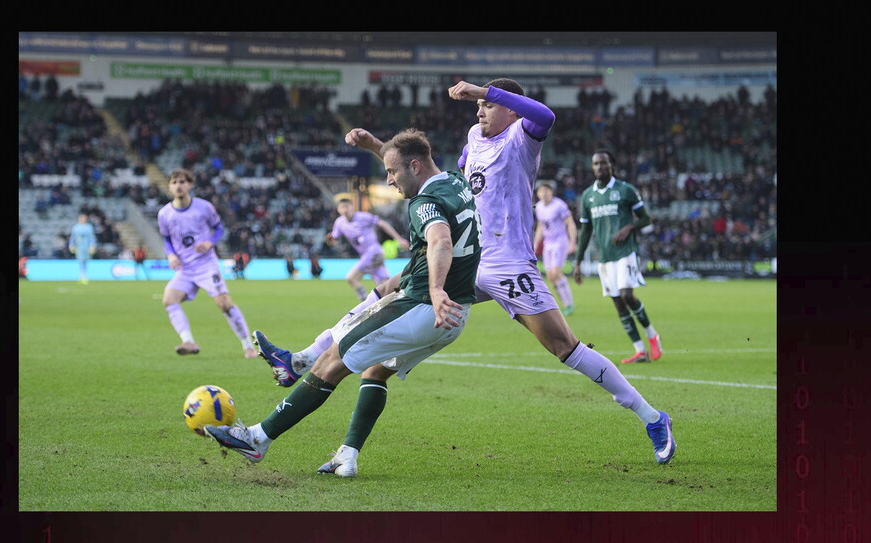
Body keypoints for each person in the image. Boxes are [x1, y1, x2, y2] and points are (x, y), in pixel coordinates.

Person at [252, 79, 675, 476]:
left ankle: (653, 418)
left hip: (510, 263)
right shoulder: (473, 143)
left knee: (564, 346)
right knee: (385, 310)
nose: (480, 110)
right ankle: (320, 394)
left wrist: (484, 88)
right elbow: (431, 177)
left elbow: (545, 116)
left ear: (510, 110)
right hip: (470, 260)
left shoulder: (523, 138)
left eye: (488, 105)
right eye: (478, 105)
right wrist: (376, 147)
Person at [205, 129, 482, 474]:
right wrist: (372, 146)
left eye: (392, 173)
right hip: (455, 316)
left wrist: (437, 289)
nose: (389, 180)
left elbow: (440, 241)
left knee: (331, 361)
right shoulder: (454, 181)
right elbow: (407, 164)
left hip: (425, 307)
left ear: (414, 166)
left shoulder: (424, 203)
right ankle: (346, 455)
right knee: (375, 370)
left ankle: (258, 438)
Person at [573, 149, 663, 364]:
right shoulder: (588, 196)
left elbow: (646, 219)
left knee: (627, 295)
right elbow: (585, 231)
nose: (599, 167)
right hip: (605, 256)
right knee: (618, 302)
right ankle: (639, 350)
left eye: (603, 163)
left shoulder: (625, 190)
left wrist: (629, 228)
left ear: (611, 165)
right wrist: (577, 262)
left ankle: (652, 335)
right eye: (596, 164)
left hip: (626, 252)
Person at [157, 168, 257, 358]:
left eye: (182, 181)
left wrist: (210, 242)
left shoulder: (204, 207)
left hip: (206, 265)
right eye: (174, 182)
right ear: (169, 186)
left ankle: (248, 347)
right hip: (185, 268)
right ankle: (188, 341)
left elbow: (219, 228)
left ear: (190, 185)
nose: (178, 185)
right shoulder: (164, 214)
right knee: (169, 300)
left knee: (224, 303)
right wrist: (170, 255)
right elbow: (167, 239)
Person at [325, 197, 409, 301]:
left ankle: (365, 303)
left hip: (374, 252)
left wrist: (399, 239)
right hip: (366, 256)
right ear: (338, 209)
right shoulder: (339, 223)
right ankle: (401, 297)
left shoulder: (363, 216)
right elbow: (334, 240)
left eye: (347, 206)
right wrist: (330, 240)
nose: (345, 210)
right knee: (386, 284)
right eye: (342, 207)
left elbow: (382, 224)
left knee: (351, 277)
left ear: (352, 207)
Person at [533, 179, 577, 315]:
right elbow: (540, 226)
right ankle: (565, 304)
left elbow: (570, 223)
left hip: (560, 242)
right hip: (548, 244)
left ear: (551, 192)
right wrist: (535, 243)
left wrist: (572, 242)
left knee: (556, 273)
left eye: (547, 190)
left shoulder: (559, 205)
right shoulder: (539, 207)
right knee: (551, 276)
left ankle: (569, 304)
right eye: (541, 191)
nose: (544, 193)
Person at [68, 213, 97, 284]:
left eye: (84, 218)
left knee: (85, 261)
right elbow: (72, 237)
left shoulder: (89, 227)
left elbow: (92, 237)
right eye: (81, 218)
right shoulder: (75, 227)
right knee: (80, 260)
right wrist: (71, 245)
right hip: (79, 247)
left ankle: (85, 276)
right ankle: (82, 276)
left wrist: (93, 245)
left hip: (86, 247)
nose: (82, 219)